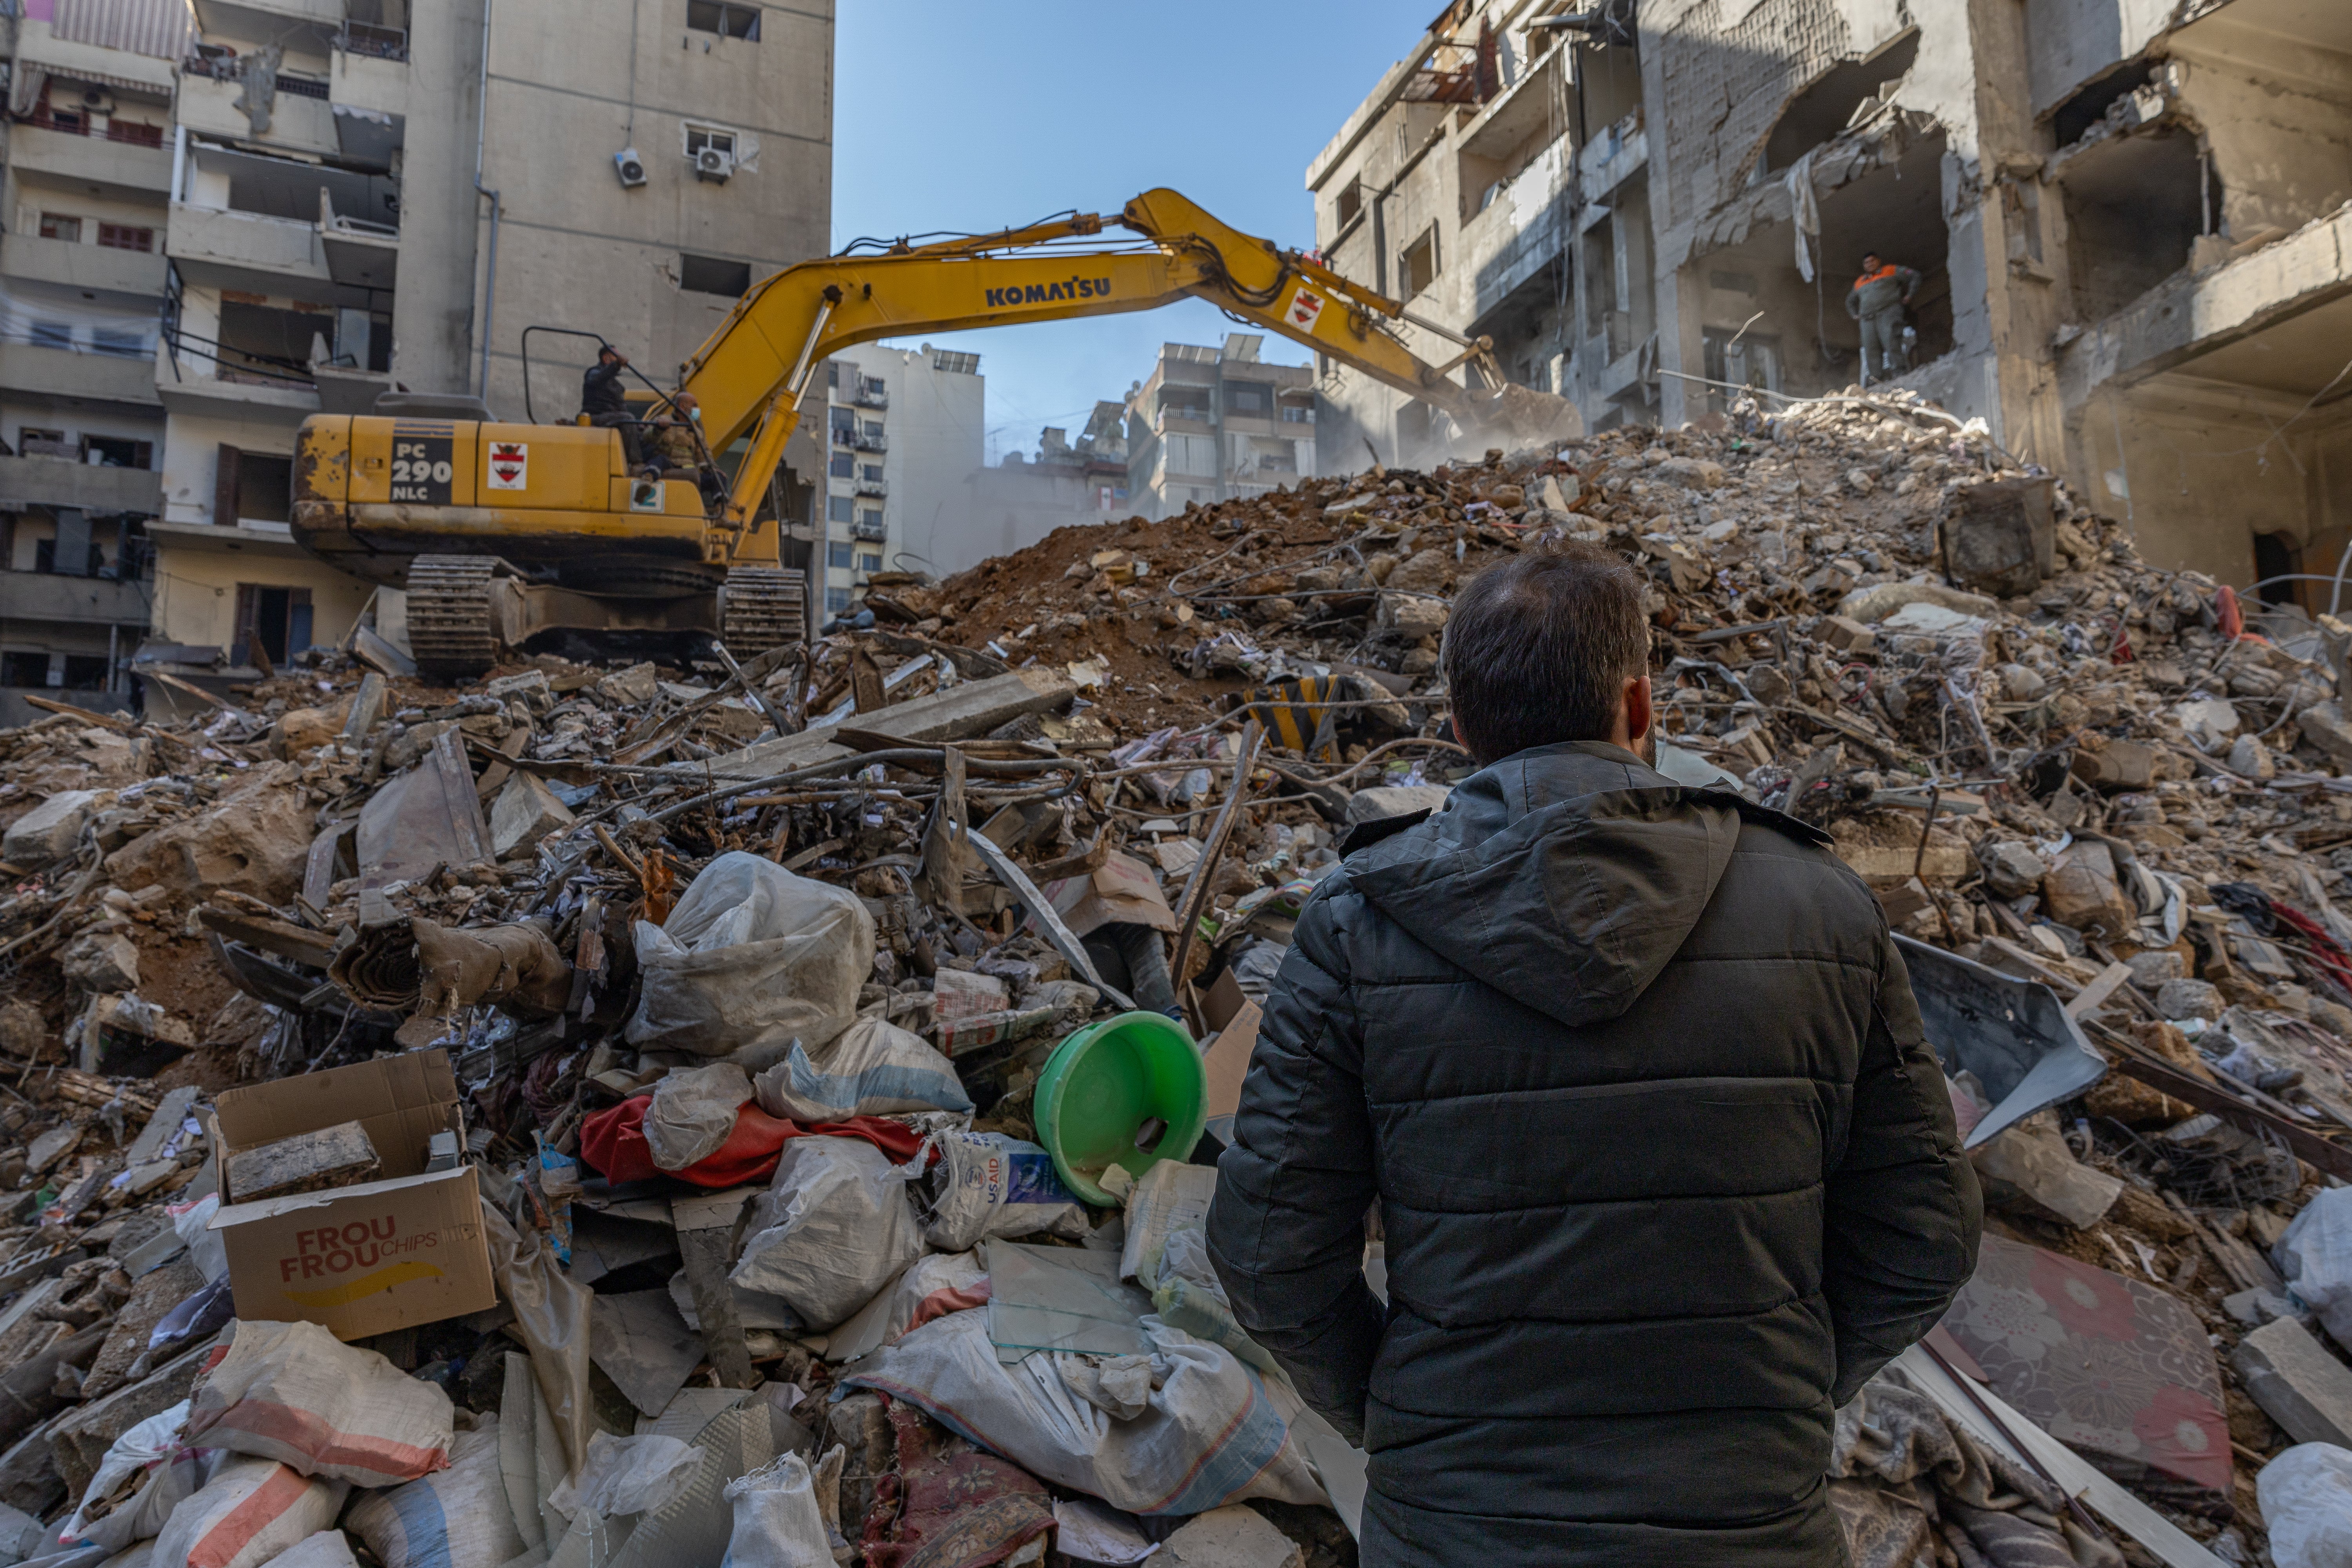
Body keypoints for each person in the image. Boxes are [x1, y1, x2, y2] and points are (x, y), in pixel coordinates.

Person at [1207, 542, 1982, 1567]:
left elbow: (1266, 1254)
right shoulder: (1823, 905)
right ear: (1642, 708)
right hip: (1753, 1527)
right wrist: (1786, 1393)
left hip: (1456, 1530)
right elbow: (1927, 1233)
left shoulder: (1358, 924)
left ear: (1458, 732)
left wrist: (1400, 1418)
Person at [1847, 251, 1923, 384]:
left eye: (1872, 261)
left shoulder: (1891, 270)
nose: (1869, 264)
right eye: (1866, 263)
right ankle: (1876, 381)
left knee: (1892, 342)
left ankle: (1899, 375)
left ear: (1878, 261)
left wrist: (1910, 295)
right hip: (1867, 319)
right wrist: (1855, 314)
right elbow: (1850, 301)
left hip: (1888, 313)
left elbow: (1915, 276)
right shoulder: (1860, 282)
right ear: (1864, 266)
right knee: (1871, 349)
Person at [581, 345, 642, 465]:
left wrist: (639, 425)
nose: (620, 359)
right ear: (606, 358)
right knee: (628, 419)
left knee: (637, 425)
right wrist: (616, 365)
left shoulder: (616, 386)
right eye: (616, 357)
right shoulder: (593, 373)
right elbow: (596, 379)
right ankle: (636, 462)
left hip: (612, 418)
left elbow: (622, 408)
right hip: (596, 417)